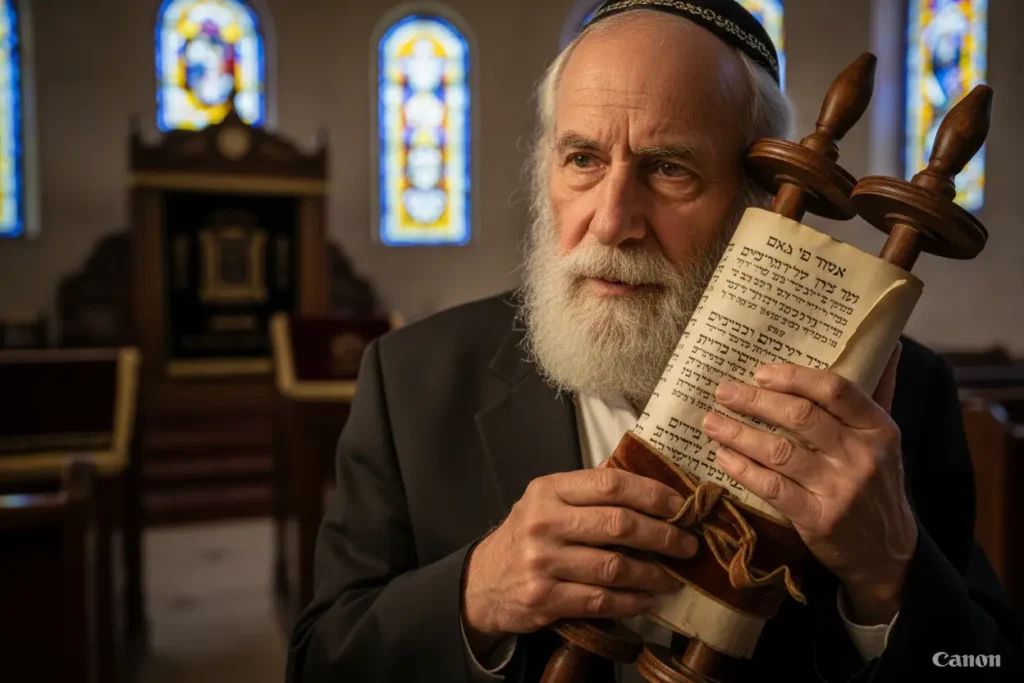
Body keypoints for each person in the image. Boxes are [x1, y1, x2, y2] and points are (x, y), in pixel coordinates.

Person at [286, 2, 1023, 681]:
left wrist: (888, 572)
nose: (612, 220)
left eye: (669, 168)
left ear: (760, 199)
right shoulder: (411, 378)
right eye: (583, 159)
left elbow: (981, 661)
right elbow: (320, 660)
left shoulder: (897, 394)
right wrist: (478, 590)